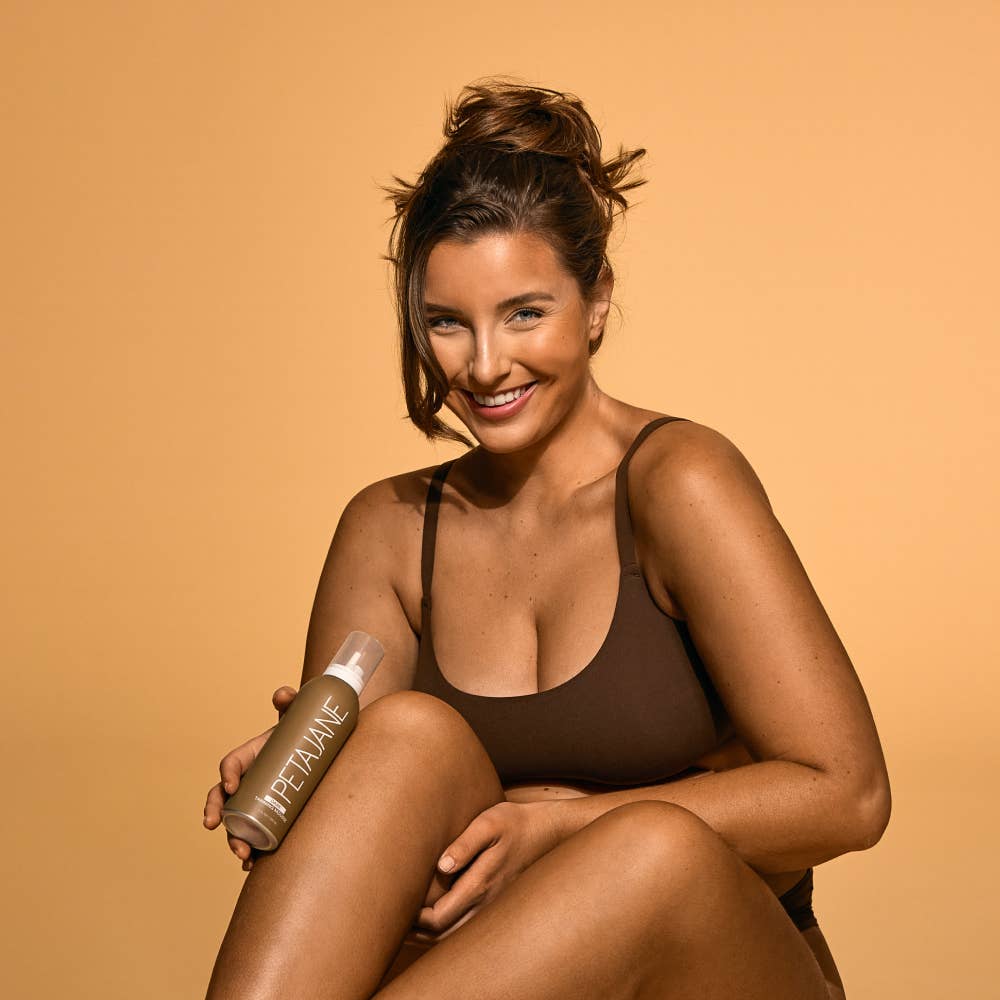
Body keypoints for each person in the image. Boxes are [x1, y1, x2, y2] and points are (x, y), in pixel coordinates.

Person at [202, 79, 890, 999]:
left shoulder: (679, 482)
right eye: (447, 323)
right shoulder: (388, 529)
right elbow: (363, 848)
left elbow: (848, 794)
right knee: (396, 738)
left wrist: (559, 829)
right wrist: (308, 778)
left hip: (714, 972)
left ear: (596, 300)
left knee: (651, 850)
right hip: (482, 973)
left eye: (525, 312)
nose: (486, 367)